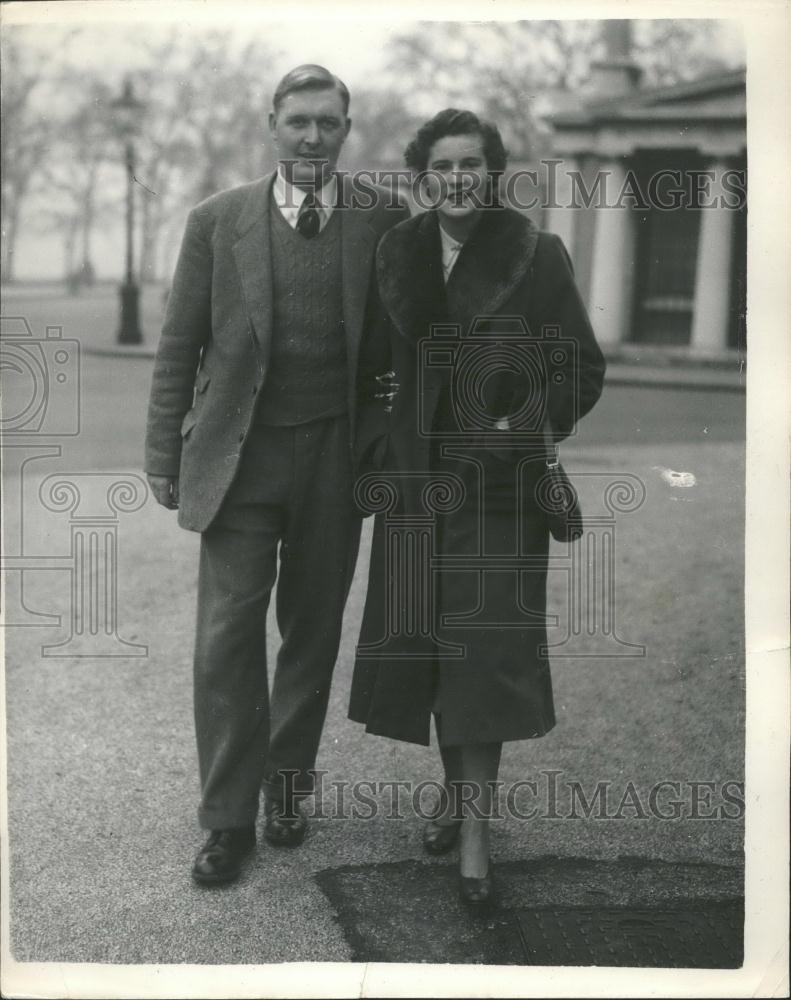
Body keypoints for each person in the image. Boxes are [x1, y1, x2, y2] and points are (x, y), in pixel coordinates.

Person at [144, 65, 408, 885]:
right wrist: (162, 455)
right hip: (239, 457)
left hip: (335, 455)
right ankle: (227, 820)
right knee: (226, 639)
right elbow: (179, 346)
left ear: (345, 130)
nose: (311, 138)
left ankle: (286, 789)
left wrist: (387, 437)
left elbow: (398, 348)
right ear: (271, 124)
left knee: (312, 630)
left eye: (328, 124)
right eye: (297, 121)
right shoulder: (216, 221)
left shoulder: (382, 218)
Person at [349, 109, 606, 907]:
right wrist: (387, 423)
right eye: (442, 165)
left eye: (472, 164)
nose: (457, 178)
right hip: (418, 488)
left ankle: (474, 835)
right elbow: (371, 367)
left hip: (499, 492)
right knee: (429, 648)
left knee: (485, 659)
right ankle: (456, 797)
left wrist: (517, 417)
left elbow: (579, 371)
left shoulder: (536, 254)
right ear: (422, 175)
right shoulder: (397, 251)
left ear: (492, 173)